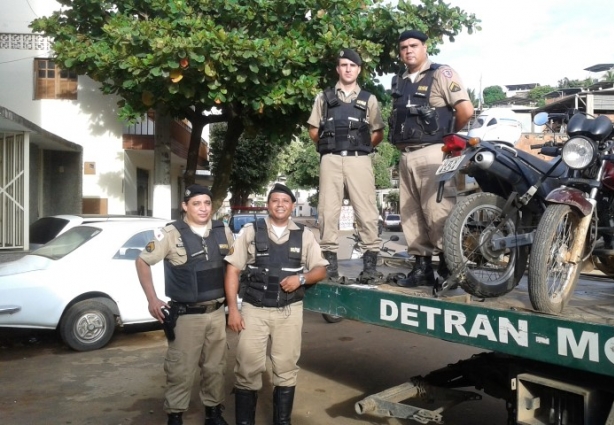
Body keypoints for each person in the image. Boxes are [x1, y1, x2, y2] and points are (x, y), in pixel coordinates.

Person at [224, 183, 328, 425]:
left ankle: (282, 422)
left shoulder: (304, 235)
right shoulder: (251, 231)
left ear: (292, 206)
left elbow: (320, 269)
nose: (280, 204)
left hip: (288, 312)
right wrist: (233, 310)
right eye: (275, 200)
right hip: (253, 310)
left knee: (286, 368)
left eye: (285, 201)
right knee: (247, 369)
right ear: (268, 205)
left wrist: (301, 278)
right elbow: (232, 269)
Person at [135, 184, 233, 425]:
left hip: (217, 313)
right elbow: (142, 261)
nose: (203, 208)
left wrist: (234, 307)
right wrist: (152, 299)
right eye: (196, 203)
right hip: (187, 316)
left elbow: (233, 266)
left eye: (207, 203)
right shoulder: (171, 233)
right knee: (181, 370)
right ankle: (175, 416)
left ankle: (213, 413)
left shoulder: (223, 231)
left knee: (215, 367)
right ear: (185, 206)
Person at [389, 30, 474, 287]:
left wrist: (446, 136)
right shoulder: (400, 81)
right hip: (406, 155)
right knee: (412, 214)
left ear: (425, 47)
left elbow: (465, 111)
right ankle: (422, 269)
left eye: (413, 45)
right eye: (403, 47)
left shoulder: (441, 73)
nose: (408, 51)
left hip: (433, 151)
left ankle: (451, 269)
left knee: (438, 210)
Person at [307, 48, 385, 284]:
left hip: (359, 160)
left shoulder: (369, 99)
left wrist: (360, 146)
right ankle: (329, 266)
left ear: (359, 69)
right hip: (330, 159)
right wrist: (331, 145)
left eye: (352, 65)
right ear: (338, 69)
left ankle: (370, 267)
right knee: (327, 212)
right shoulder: (324, 98)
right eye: (343, 65)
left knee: (367, 212)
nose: (348, 69)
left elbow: (378, 132)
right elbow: (313, 130)